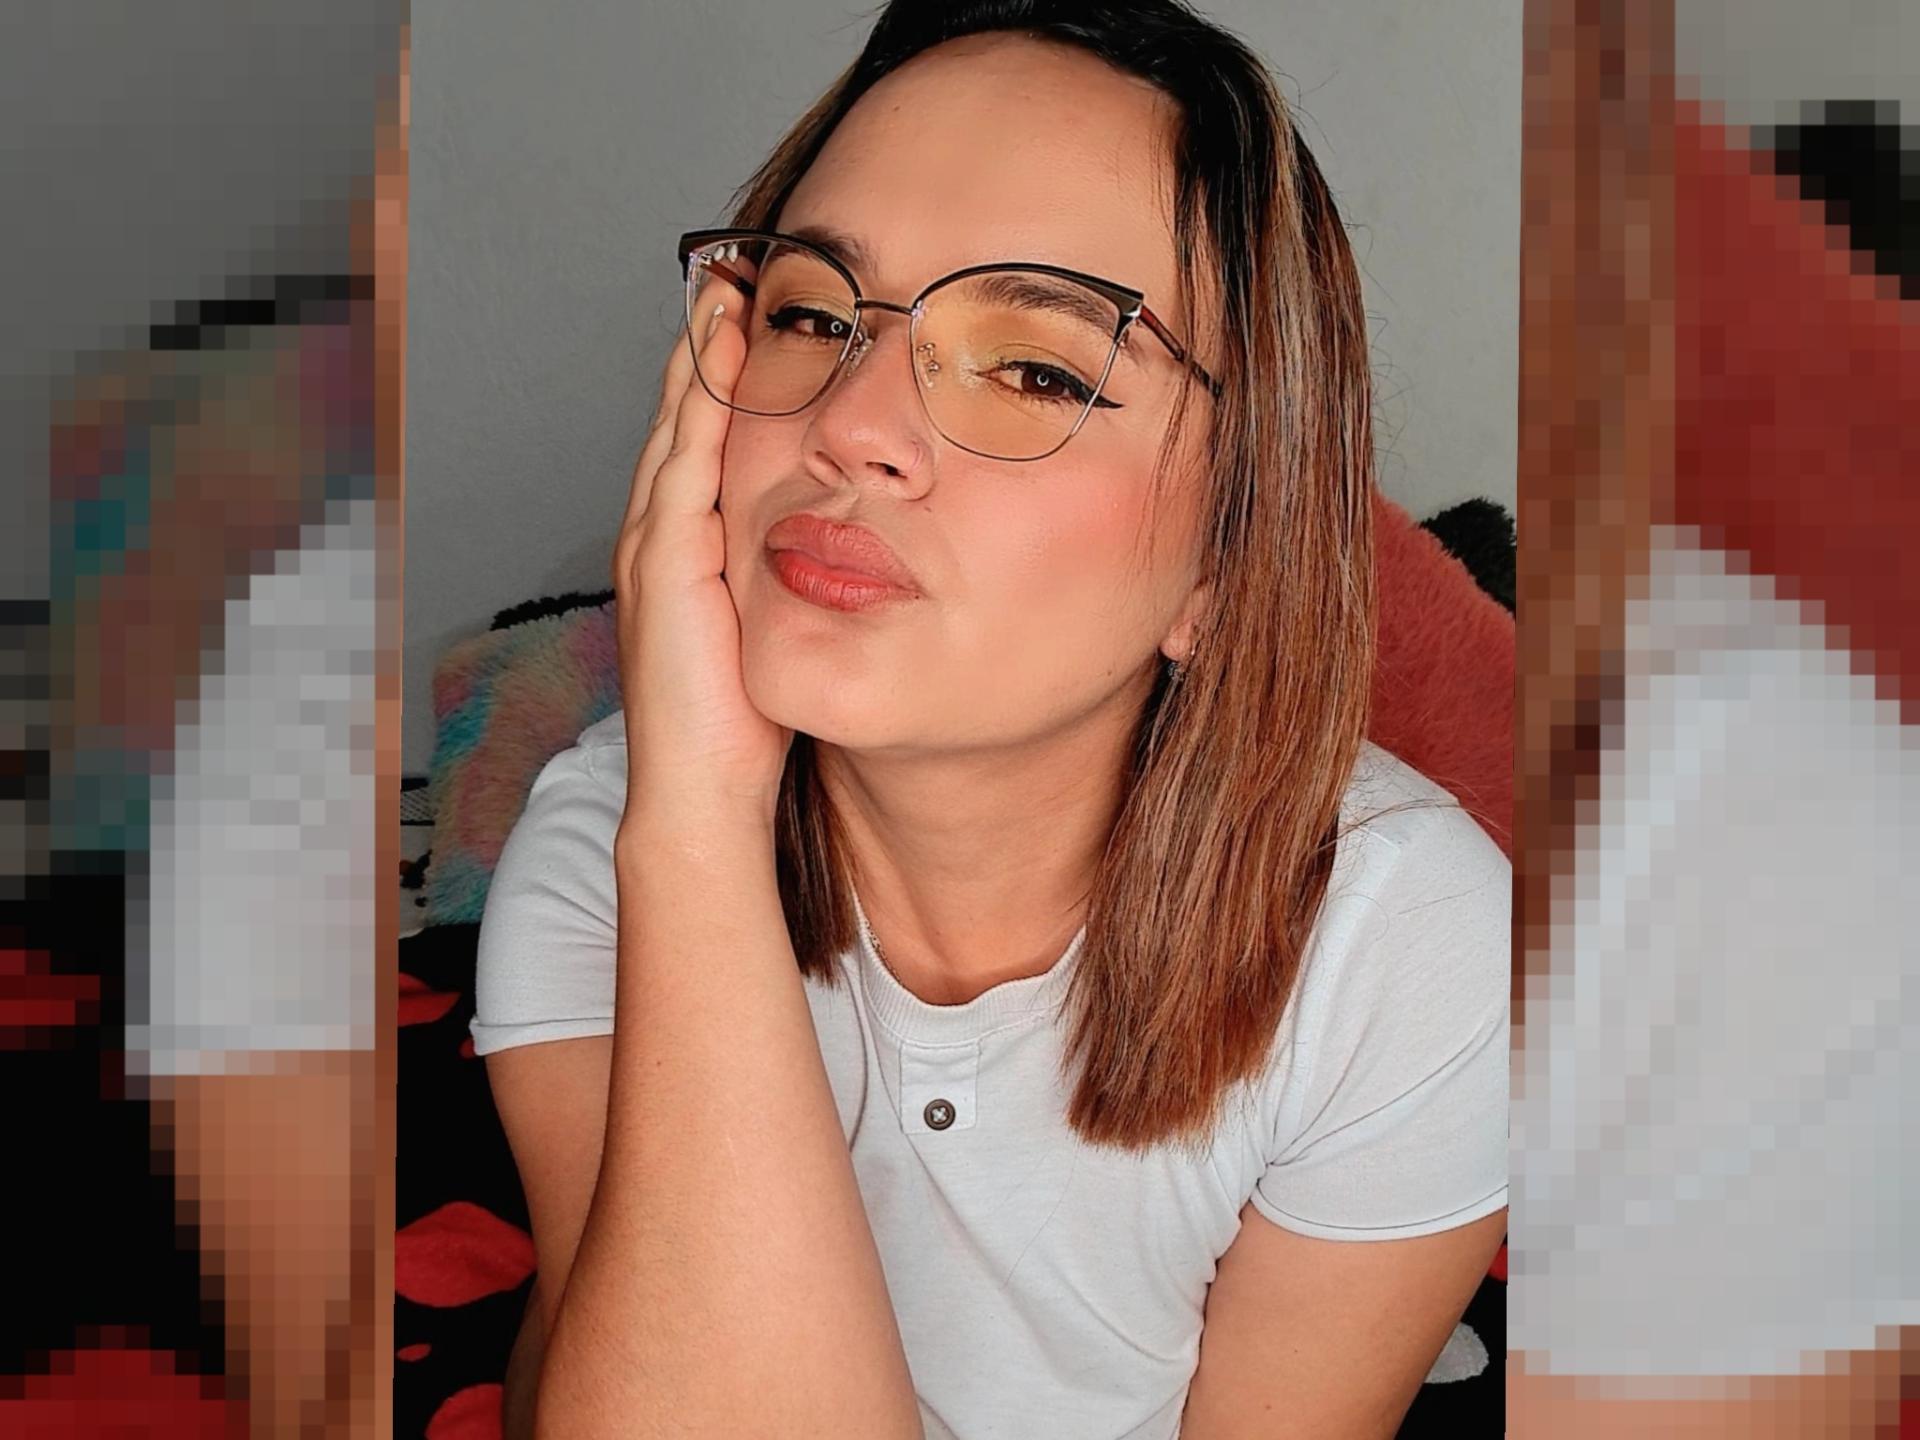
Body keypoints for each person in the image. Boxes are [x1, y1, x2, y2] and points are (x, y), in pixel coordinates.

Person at [473, 4, 1509, 1437]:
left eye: (1037, 370)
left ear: (1228, 561)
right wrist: (696, 828)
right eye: (813, 315)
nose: (851, 425)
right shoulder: (613, 846)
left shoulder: (1410, 946)